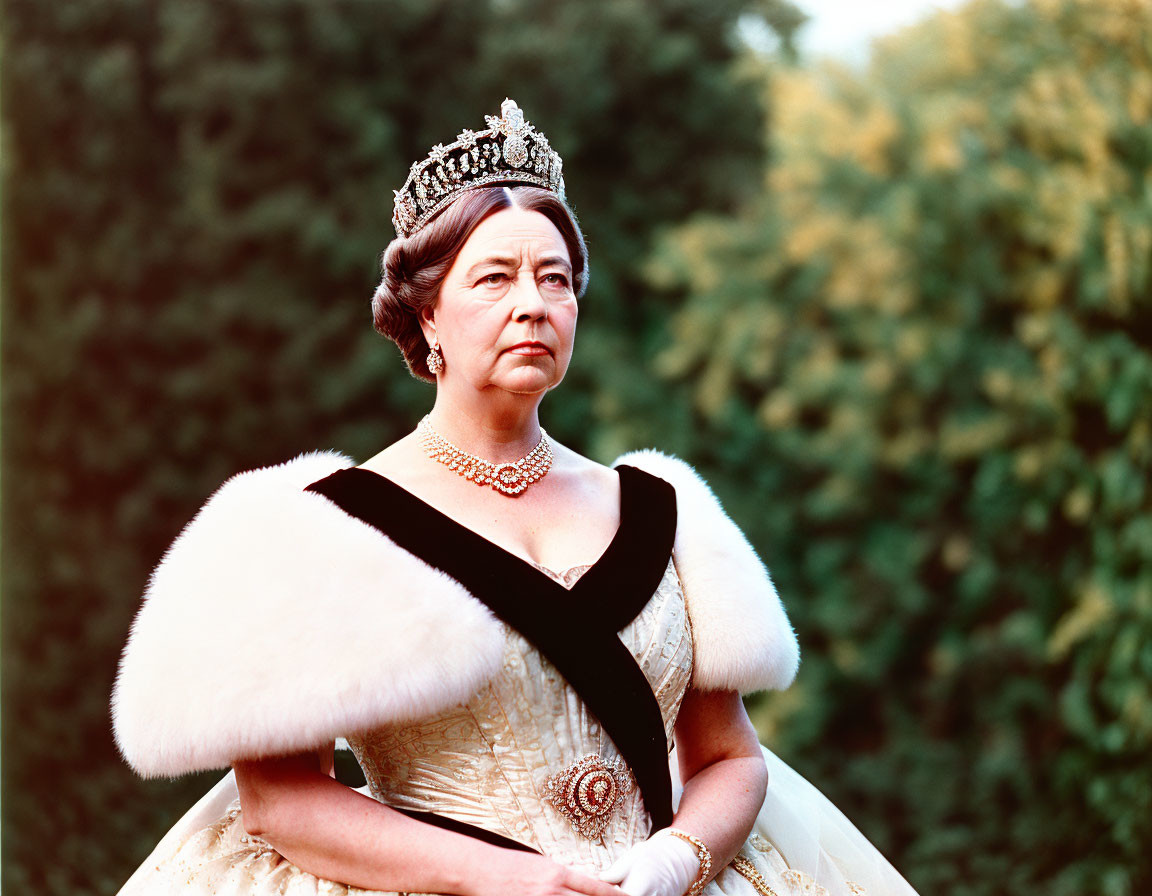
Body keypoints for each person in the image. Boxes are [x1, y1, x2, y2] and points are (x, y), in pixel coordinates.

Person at [111, 99, 920, 896]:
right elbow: (280, 801)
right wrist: (512, 881)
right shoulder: (327, 525)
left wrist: (679, 857)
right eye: (494, 278)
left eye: (555, 279)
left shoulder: (663, 511)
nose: (532, 303)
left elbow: (729, 759)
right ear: (426, 316)